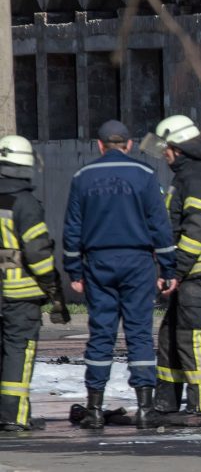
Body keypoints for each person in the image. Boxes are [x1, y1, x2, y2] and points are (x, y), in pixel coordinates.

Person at [62, 120, 176, 430]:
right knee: (139, 333)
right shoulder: (145, 175)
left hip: (98, 262)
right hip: (138, 262)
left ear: (99, 145)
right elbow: (160, 226)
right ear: (128, 145)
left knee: (101, 335)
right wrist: (168, 268)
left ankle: (94, 409)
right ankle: (145, 408)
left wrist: (74, 269)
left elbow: (72, 228)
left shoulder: (83, 177)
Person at [142, 115, 201, 416]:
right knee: (169, 336)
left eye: (166, 148)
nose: (163, 155)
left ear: (177, 147)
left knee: (192, 335)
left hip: (198, 268)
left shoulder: (197, 176)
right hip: (186, 268)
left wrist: (176, 270)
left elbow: (198, 228)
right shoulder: (187, 175)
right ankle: (166, 404)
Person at [0, 135, 69, 432]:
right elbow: (38, 254)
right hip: (20, 294)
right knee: (18, 352)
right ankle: (14, 416)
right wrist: (53, 288)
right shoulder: (25, 203)